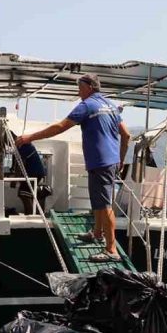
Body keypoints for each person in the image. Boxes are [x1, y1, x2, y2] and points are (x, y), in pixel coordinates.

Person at [16, 73, 130, 262]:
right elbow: (126, 135)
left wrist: (29, 138)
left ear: (89, 87)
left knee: (104, 205)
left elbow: (60, 127)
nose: (78, 92)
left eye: (80, 87)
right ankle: (96, 233)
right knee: (99, 202)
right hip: (108, 161)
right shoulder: (110, 105)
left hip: (100, 162)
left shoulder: (87, 105)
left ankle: (111, 250)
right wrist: (120, 159)